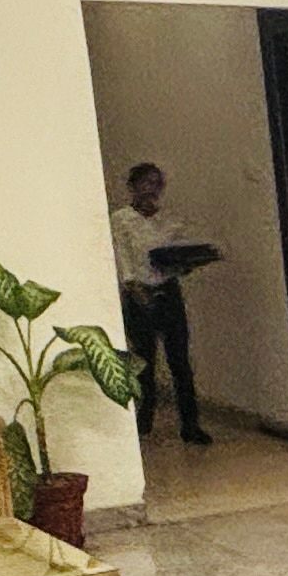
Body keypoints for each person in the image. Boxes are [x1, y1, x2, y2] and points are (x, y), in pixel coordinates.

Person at [107, 162, 216, 446]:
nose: (151, 189)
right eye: (145, 183)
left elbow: (173, 258)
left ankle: (190, 425)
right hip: (139, 294)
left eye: (156, 183)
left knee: (180, 362)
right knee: (144, 361)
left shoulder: (169, 221)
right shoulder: (121, 220)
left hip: (168, 292)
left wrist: (188, 263)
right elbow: (123, 258)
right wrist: (133, 288)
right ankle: (143, 421)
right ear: (132, 186)